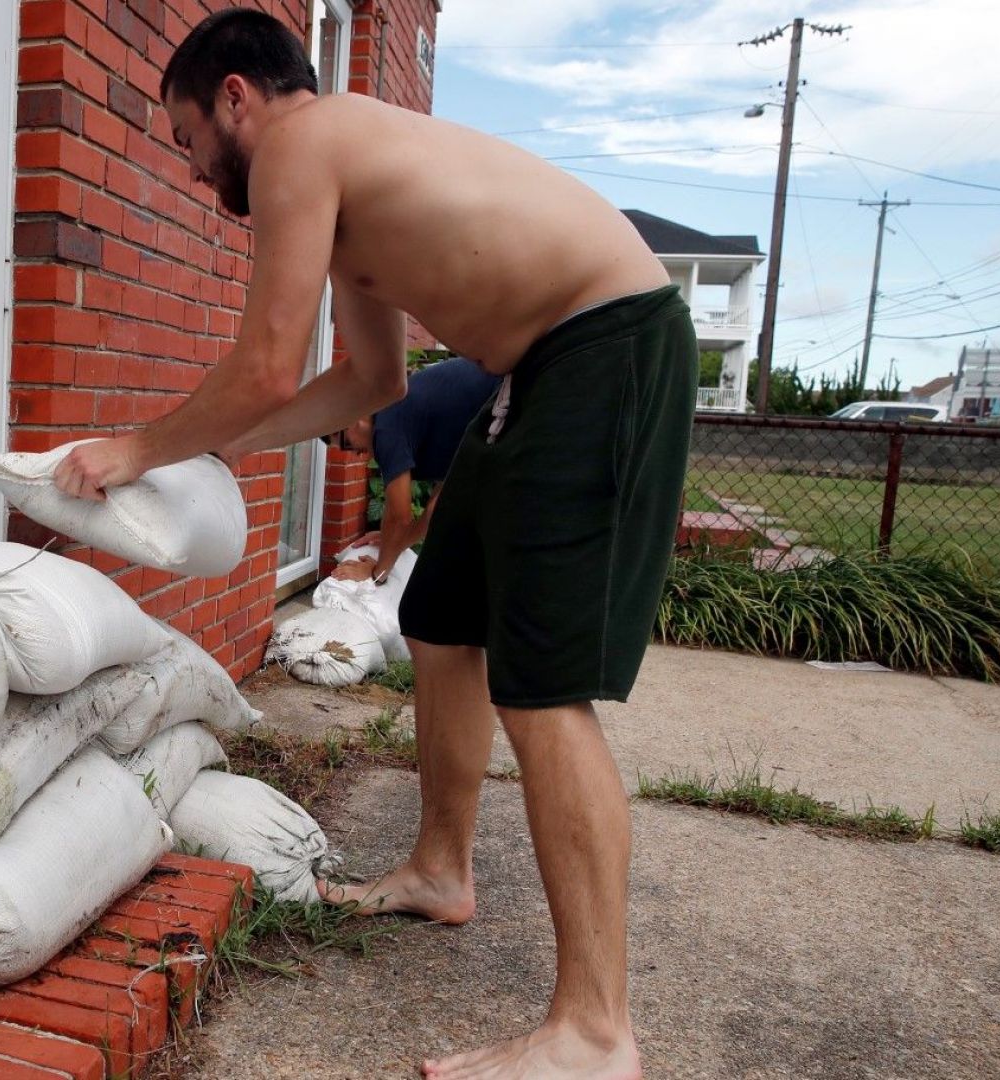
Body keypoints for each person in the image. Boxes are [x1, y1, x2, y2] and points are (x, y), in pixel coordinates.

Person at [50, 10, 694, 1079]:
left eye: (186, 139)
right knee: (441, 618)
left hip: (603, 349)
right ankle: (442, 868)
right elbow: (368, 383)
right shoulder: (350, 190)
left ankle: (594, 1031)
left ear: (236, 99)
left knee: (543, 687)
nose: (192, 166)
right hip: (527, 373)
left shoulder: (304, 144)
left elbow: (261, 363)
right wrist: (196, 452)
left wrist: (136, 448)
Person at [330, 357, 499, 586]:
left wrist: (377, 574)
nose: (356, 454)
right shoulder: (407, 412)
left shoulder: (386, 426)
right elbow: (437, 508)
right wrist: (395, 542)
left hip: (520, 398)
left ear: (352, 421)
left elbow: (399, 517)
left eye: (346, 443)